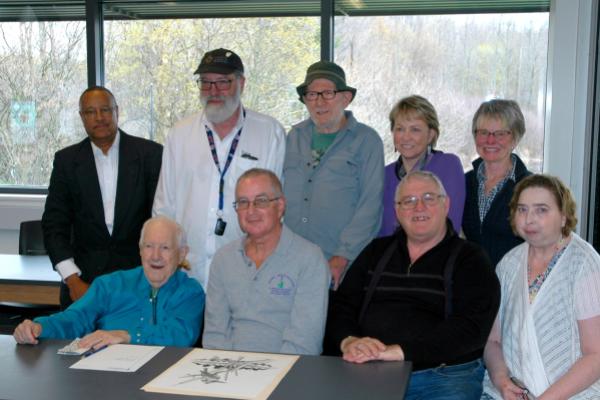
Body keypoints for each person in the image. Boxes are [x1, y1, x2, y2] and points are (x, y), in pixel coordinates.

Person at [326, 171, 500, 399]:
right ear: (397, 211)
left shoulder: (470, 258)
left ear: (445, 204)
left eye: (429, 198)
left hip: (442, 376)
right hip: (368, 367)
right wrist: (349, 340)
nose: (419, 208)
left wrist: (400, 351)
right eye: (408, 201)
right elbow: (342, 306)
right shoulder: (376, 251)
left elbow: (471, 328)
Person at [153, 48, 285, 288]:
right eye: (206, 83)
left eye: (223, 82)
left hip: (245, 273)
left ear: (241, 83)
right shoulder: (180, 134)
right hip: (187, 275)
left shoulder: (269, 132)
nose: (213, 91)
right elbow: (164, 207)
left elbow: (274, 210)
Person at [42, 86, 163, 308]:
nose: (99, 118)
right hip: (83, 284)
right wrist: (72, 279)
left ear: (117, 111)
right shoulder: (66, 162)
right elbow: (53, 226)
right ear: (82, 117)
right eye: (90, 112)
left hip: (138, 281)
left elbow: (162, 220)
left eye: (105, 110)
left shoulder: (150, 155)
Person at [481, 174, 600, 399]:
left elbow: (596, 356)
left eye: (542, 210)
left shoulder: (585, 264)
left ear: (564, 217)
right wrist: (502, 382)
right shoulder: (508, 264)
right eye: (522, 209)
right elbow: (492, 341)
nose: (529, 219)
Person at [13, 216, 205, 348]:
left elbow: (180, 335)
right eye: (148, 246)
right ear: (140, 250)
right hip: (109, 381)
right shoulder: (111, 285)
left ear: (181, 254)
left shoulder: (190, 292)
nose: (155, 256)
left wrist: (127, 335)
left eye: (165, 248)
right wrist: (38, 327)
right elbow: (75, 318)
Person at [203, 168, 330, 355]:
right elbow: (215, 335)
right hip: (227, 373)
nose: (251, 211)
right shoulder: (223, 259)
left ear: (280, 207)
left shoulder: (310, 259)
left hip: (288, 373)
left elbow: (305, 342)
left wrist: (265, 375)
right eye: (243, 202)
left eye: (261, 201)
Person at [283, 60, 384, 289]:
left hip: (340, 267)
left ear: (345, 98)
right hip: (289, 264)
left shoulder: (366, 141)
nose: (319, 102)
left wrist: (342, 256)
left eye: (327, 93)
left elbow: (370, 206)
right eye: (311, 94)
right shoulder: (293, 137)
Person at [379, 95, 465, 236]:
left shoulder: (448, 165)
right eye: (400, 129)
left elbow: (451, 225)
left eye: (415, 129)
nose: (406, 137)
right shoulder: (384, 174)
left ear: (431, 134)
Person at [462, 99, 531, 267]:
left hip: (514, 286)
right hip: (470, 286)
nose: (490, 141)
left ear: (515, 138)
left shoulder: (531, 187)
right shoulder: (463, 182)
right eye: (483, 132)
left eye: (500, 133)